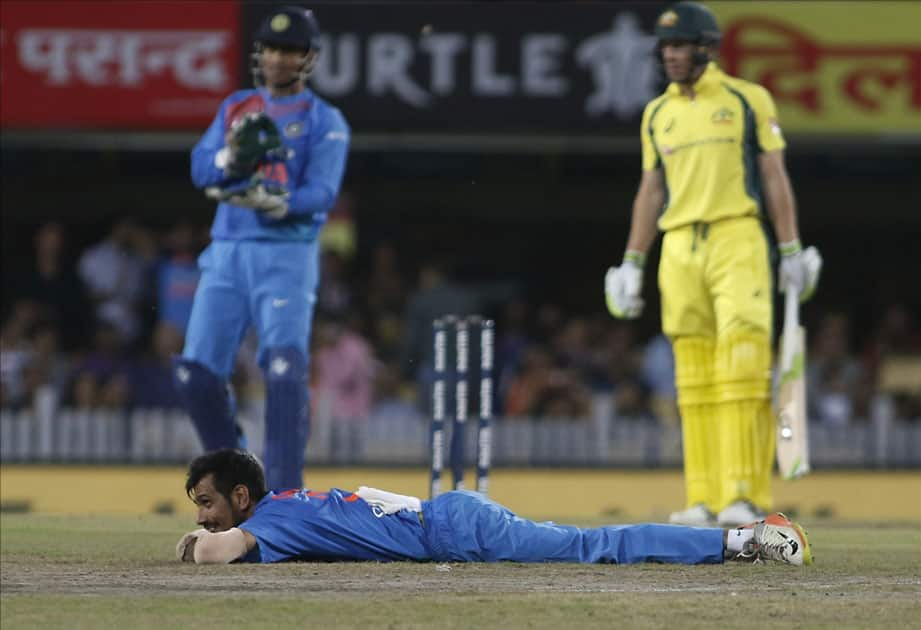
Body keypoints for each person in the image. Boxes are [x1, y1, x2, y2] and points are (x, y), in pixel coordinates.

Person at [604, 2, 822, 527]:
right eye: (665, 49)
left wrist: (790, 248)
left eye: (680, 47)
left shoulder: (748, 100)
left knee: (744, 370)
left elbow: (774, 176)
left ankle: (744, 495)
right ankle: (703, 499)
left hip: (738, 237)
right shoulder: (659, 113)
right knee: (693, 379)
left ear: (706, 47)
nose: (671, 56)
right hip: (679, 246)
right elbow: (651, 189)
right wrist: (633, 261)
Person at [174, 6, 350, 489]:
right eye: (272, 48)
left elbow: (323, 193)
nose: (278, 58)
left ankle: (286, 496)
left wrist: (277, 202)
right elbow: (201, 168)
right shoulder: (236, 107)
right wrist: (231, 158)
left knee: (282, 369)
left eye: (290, 50)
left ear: (308, 57)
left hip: (287, 254)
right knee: (195, 374)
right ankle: (233, 478)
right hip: (228, 250)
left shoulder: (325, 120)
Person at [176, 448, 812, 567]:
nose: (204, 516)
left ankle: (745, 538)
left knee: (595, 547)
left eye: (206, 504)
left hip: (454, 529)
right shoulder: (284, 503)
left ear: (240, 497)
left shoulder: (269, 520)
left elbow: (218, 551)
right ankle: (739, 539)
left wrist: (190, 543)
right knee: (591, 545)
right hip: (447, 515)